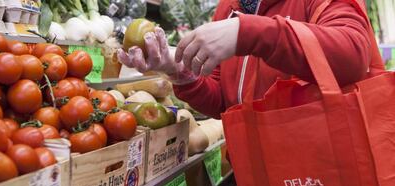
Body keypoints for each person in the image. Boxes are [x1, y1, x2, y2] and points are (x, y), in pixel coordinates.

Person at [117, 0, 372, 119]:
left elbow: (354, 55)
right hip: (260, 172)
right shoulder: (229, 7)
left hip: (326, 172)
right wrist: (177, 70)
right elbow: (223, 102)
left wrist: (247, 33)